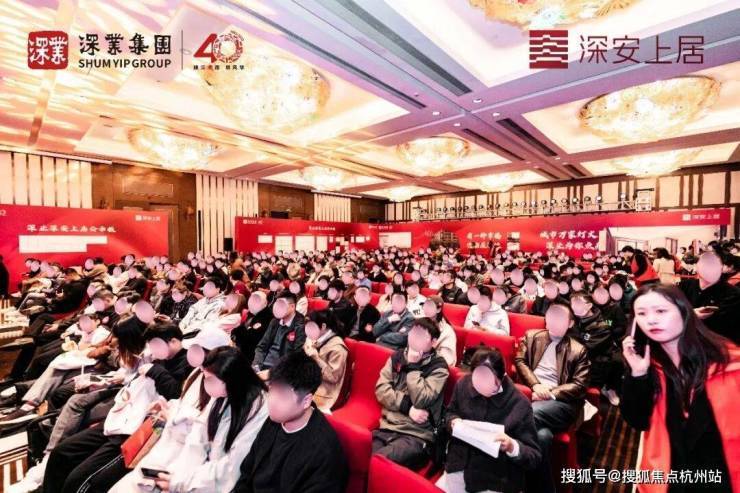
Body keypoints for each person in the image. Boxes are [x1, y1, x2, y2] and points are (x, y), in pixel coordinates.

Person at [42, 321, 192, 493]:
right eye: (151, 345)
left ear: (173, 341)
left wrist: (155, 371)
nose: (153, 349)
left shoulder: (188, 365)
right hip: (123, 415)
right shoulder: (157, 359)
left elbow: (176, 394)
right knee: (61, 453)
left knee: (79, 481)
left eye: (156, 344)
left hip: (140, 427)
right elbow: (133, 381)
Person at [621, 284, 739, 492]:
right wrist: (638, 374)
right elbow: (638, 421)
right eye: (642, 313)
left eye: (661, 311)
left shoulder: (728, 363)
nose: (651, 320)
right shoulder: (648, 364)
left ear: (684, 312)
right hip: (671, 475)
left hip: (721, 474)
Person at [136, 346, 270, 493]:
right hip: (206, 474)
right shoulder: (221, 393)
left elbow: (232, 467)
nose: (206, 384)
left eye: (210, 380)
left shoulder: (259, 408)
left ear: (230, 378)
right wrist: (181, 477)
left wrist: (183, 483)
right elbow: (198, 438)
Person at [232, 351, 349, 493]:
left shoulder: (324, 453)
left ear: (306, 401)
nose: (272, 401)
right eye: (272, 389)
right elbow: (247, 473)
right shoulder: (275, 420)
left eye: (283, 395)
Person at [439, 347, 541, 493]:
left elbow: (534, 456)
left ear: (503, 376)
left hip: (497, 477)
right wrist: (453, 421)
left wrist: (512, 446)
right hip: (459, 466)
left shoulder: (520, 404)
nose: (482, 386)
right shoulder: (463, 384)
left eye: (491, 381)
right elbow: (450, 412)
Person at [514, 303, 590, 493]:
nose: (554, 322)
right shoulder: (532, 336)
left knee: (527, 415)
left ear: (570, 323)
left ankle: (506, 477)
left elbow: (580, 386)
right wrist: (535, 385)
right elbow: (520, 361)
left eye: (560, 318)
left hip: (561, 403)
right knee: (542, 437)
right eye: (551, 317)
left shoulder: (578, 350)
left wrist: (549, 392)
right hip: (531, 393)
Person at [373, 317, 449, 469]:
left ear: (434, 342)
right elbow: (381, 390)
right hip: (388, 426)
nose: (414, 338)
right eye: (413, 333)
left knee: (378, 463)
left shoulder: (439, 367)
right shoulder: (397, 357)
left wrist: (414, 367)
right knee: (359, 456)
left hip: (416, 434)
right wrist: (407, 407)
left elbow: (421, 400)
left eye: (421, 335)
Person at [679, 250, 740, 344]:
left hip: (715, 345)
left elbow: (722, 325)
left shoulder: (733, 293)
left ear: (722, 268)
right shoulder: (684, 286)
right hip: (683, 341)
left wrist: (689, 315)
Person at [252, 291, 306, 375]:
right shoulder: (275, 321)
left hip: (280, 372)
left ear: (292, 306)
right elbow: (261, 347)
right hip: (262, 367)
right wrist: (256, 366)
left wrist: (271, 373)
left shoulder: (301, 327)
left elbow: (295, 359)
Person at [303, 311, 348, 412]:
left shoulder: (338, 348)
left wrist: (316, 359)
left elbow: (333, 377)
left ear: (323, 326)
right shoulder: (314, 338)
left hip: (324, 391)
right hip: (309, 381)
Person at [422, 296, 457, 366]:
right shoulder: (421, 323)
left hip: (434, 367)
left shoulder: (447, 332)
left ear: (438, 310)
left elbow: (446, 361)